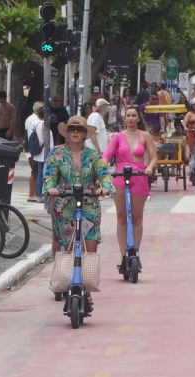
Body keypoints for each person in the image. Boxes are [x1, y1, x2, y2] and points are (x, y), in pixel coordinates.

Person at [44, 116, 113, 308]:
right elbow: (49, 176)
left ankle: (88, 291)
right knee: (65, 245)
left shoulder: (93, 156)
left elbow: (104, 175)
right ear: (67, 132)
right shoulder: (57, 154)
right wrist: (51, 188)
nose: (75, 132)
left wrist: (104, 187)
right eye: (72, 129)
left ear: (84, 134)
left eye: (79, 130)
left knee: (90, 247)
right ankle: (63, 279)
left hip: (88, 204)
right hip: (64, 205)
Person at [104, 106, 157, 255]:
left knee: (137, 218)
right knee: (121, 217)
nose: (131, 118)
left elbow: (153, 157)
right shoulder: (117, 137)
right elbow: (106, 156)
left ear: (138, 118)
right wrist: (103, 169)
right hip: (120, 175)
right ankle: (123, 255)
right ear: (124, 118)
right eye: (128, 115)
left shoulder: (145, 136)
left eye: (134, 115)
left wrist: (150, 168)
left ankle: (135, 252)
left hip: (139, 175)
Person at [30, 104, 53, 201]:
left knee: (40, 173)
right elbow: (45, 138)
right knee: (44, 174)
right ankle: (41, 195)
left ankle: (39, 194)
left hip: (40, 152)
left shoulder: (36, 123)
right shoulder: (44, 124)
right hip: (45, 152)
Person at [24, 102, 43, 202]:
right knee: (34, 170)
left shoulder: (30, 119)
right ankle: (32, 194)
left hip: (30, 148)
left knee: (34, 170)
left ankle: (33, 193)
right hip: (33, 149)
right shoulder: (35, 120)